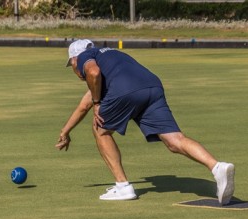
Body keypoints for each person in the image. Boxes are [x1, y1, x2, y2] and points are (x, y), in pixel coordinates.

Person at [55, 39, 235, 204]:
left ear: (74, 59)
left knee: (100, 130)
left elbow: (93, 73)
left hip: (125, 89)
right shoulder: (112, 56)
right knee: (174, 140)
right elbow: (83, 105)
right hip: (152, 86)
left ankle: (123, 186)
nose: (74, 70)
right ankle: (217, 167)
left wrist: (97, 104)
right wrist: (66, 131)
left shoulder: (86, 57)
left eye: (71, 64)